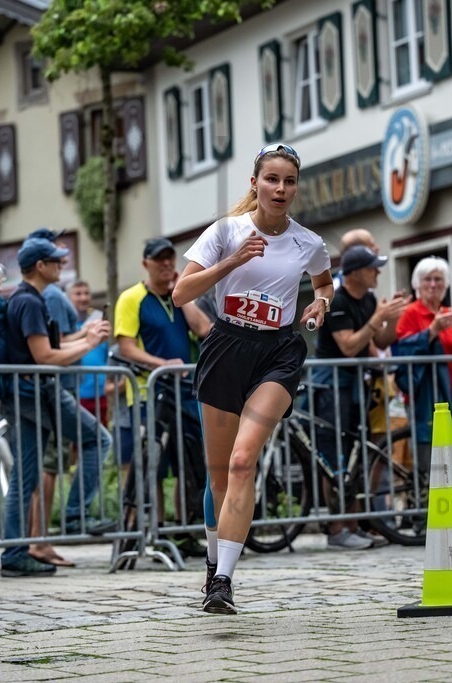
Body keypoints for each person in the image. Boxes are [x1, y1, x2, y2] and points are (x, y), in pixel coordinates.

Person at [173, 143, 332, 615]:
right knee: (220, 475)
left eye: (289, 181)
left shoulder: (308, 242)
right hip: (226, 347)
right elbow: (181, 292)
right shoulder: (226, 232)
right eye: (272, 179)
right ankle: (213, 565)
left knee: (244, 462)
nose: (280, 189)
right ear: (255, 183)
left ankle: (223, 581)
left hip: (277, 353)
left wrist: (321, 302)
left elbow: (324, 281)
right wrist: (232, 262)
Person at [0, 237, 112, 578]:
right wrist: (89, 343)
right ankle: (71, 516)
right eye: (56, 260)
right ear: (40, 266)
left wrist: (84, 335)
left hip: (32, 395)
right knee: (96, 440)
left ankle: (18, 550)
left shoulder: (29, 297)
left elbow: (51, 344)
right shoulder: (29, 301)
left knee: (26, 475)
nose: (61, 264)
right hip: (34, 394)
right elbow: (44, 356)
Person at [314, 245, 407, 550]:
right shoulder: (337, 301)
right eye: (372, 268)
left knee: (355, 454)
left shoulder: (367, 299)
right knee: (335, 456)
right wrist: (378, 317)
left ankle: (353, 524)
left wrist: (392, 318)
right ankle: (337, 528)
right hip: (332, 386)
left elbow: (380, 340)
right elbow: (350, 346)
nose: (377, 272)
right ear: (354, 273)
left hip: (356, 386)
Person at [115, 237, 212, 525]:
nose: (166, 263)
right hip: (149, 393)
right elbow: (126, 348)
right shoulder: (131, 298)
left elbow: (204, 329)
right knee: (152, 467)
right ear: (146, 263)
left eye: (170, 257)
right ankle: (155, 527)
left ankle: (183, 528)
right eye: (159, 259)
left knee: (188, 464)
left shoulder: (180, 297)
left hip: (184, 393)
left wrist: (183, 292)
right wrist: (163, 365)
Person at [393, 257, 452, 503]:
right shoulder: (411, 313)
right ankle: (427, 511)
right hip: (425, 399)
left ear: (446, 284)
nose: (433, 284)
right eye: (427, 279)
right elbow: (402, 350)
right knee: (430, 461)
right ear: (417, 284)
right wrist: (432, 332)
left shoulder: (450, 313)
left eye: (438, 279)